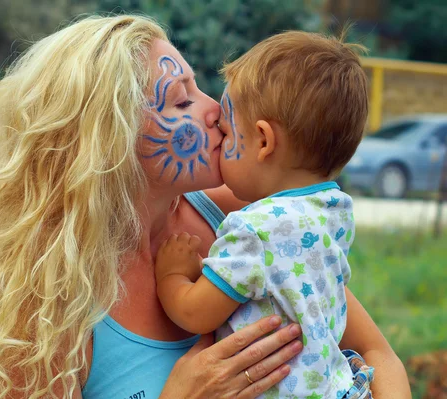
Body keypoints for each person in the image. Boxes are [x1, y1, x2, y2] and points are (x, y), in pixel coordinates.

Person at [0, 15, 410, 399]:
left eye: (198, 87)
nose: (215, 110)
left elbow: (377, 355)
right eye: (181, 101)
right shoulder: (46, 302)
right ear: (106, 144)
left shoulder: (244, 218)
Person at [155, 31, 376, 398]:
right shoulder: (333, 212)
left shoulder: (254, 230)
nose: (214, 125)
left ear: (263, 141)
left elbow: (195, 314)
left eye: (226, 132)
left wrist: (172, 274)